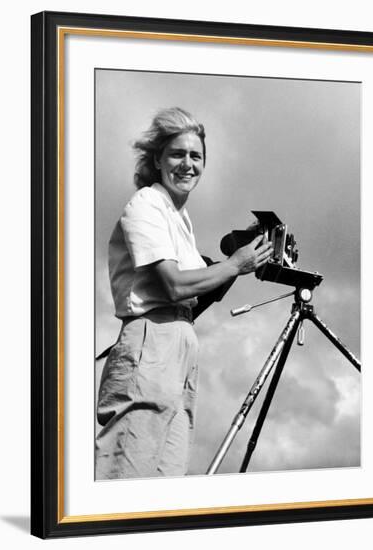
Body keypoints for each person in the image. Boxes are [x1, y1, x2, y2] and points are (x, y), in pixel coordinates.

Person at [95, 107, 272, 479]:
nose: (187, 164)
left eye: (196, 156)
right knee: (127, 474)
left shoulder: (180, 218)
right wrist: (235, 264)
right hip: (151, 339)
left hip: (181, 344)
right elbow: (174, 285)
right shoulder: (146, 204)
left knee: (165, 485)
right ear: (157, 159)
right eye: (177, 154)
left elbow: (196, 295)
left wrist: (243, 259)